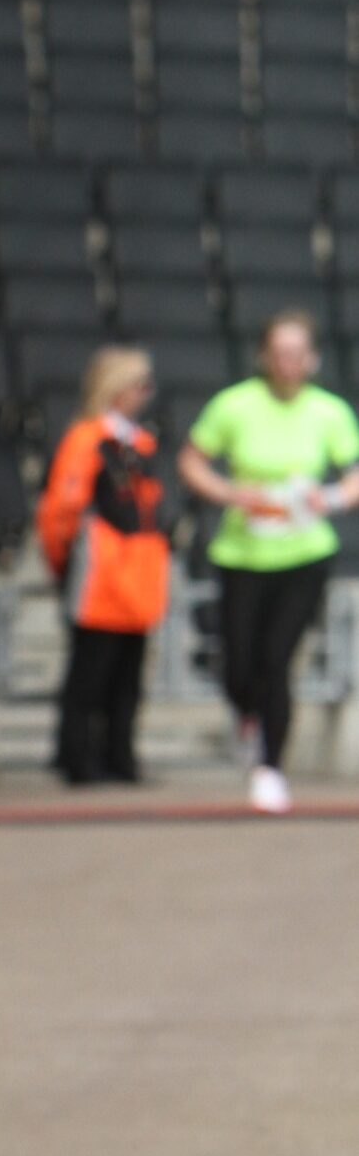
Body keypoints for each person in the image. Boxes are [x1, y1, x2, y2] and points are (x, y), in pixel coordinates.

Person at [179, 309, 359, 813]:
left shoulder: (329, 412)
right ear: (264, 356)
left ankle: (270, 768)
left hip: (304, 554)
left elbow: (354, 474)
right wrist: (230, 493)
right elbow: (192, 461)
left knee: (277, 660)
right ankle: (247, 716)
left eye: (297, 353)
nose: (288, 362)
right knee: (240, 663)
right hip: (242, 553)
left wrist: (331, 498)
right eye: (279, 353)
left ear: (312, 359)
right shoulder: (233, 405)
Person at [36, 345, 170, 786]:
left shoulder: (140, 443)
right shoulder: (87, 440)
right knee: (89, 673)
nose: (145, 394)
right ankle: (76, 757)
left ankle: (120, 756)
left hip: (138, 577)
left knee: (128, 676)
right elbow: (61, 513)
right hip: (100, 577)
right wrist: (62, 565)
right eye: (138, 385)